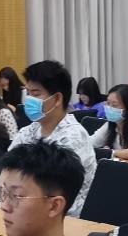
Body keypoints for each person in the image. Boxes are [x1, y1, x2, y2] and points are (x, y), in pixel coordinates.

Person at [10, 60, 97, 216]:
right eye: (28, 93)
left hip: (65, 218)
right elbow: (7, 171)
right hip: (26, 211)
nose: (29, 100)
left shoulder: (73, 137)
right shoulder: (28, 131)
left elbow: (50, 190)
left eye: (35, 94)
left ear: (57, 99)